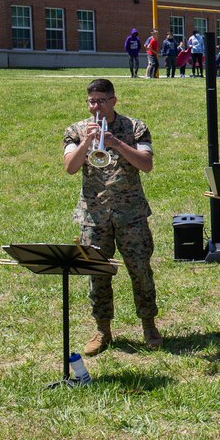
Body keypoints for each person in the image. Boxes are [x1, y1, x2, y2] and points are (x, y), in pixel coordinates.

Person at [63, 78, 161, 355]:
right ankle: (102, 329)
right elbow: (70, 168)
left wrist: (116, 143)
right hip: (94, 216)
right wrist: (86, 143)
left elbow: (147, 164)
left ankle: (149, 324)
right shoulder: (75, 131)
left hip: (131, 215)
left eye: (101, 101)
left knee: (140, 271)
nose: (96, 107)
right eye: (91, 101)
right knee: (97, 274)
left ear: (113, 101)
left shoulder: (135, 128)